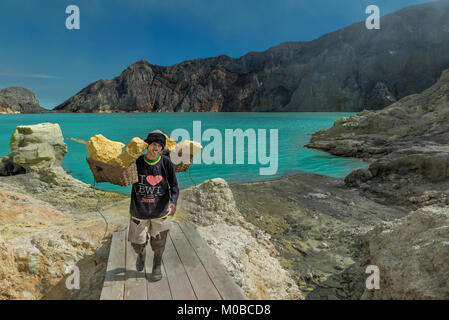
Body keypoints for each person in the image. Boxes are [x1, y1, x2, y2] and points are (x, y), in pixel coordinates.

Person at [128, 130, 179, 282]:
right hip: (139, 210)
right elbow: (121, 174)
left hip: (160, 210)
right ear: (147, 145)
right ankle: (141, 253)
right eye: (153, 144)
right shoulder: (136, 161)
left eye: (159, 146)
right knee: (137, 242)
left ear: (162, 148)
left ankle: (156, 265)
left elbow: (174, 186)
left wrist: (173, 202)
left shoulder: (166, 163)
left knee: (159, 243)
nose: (156, 148)